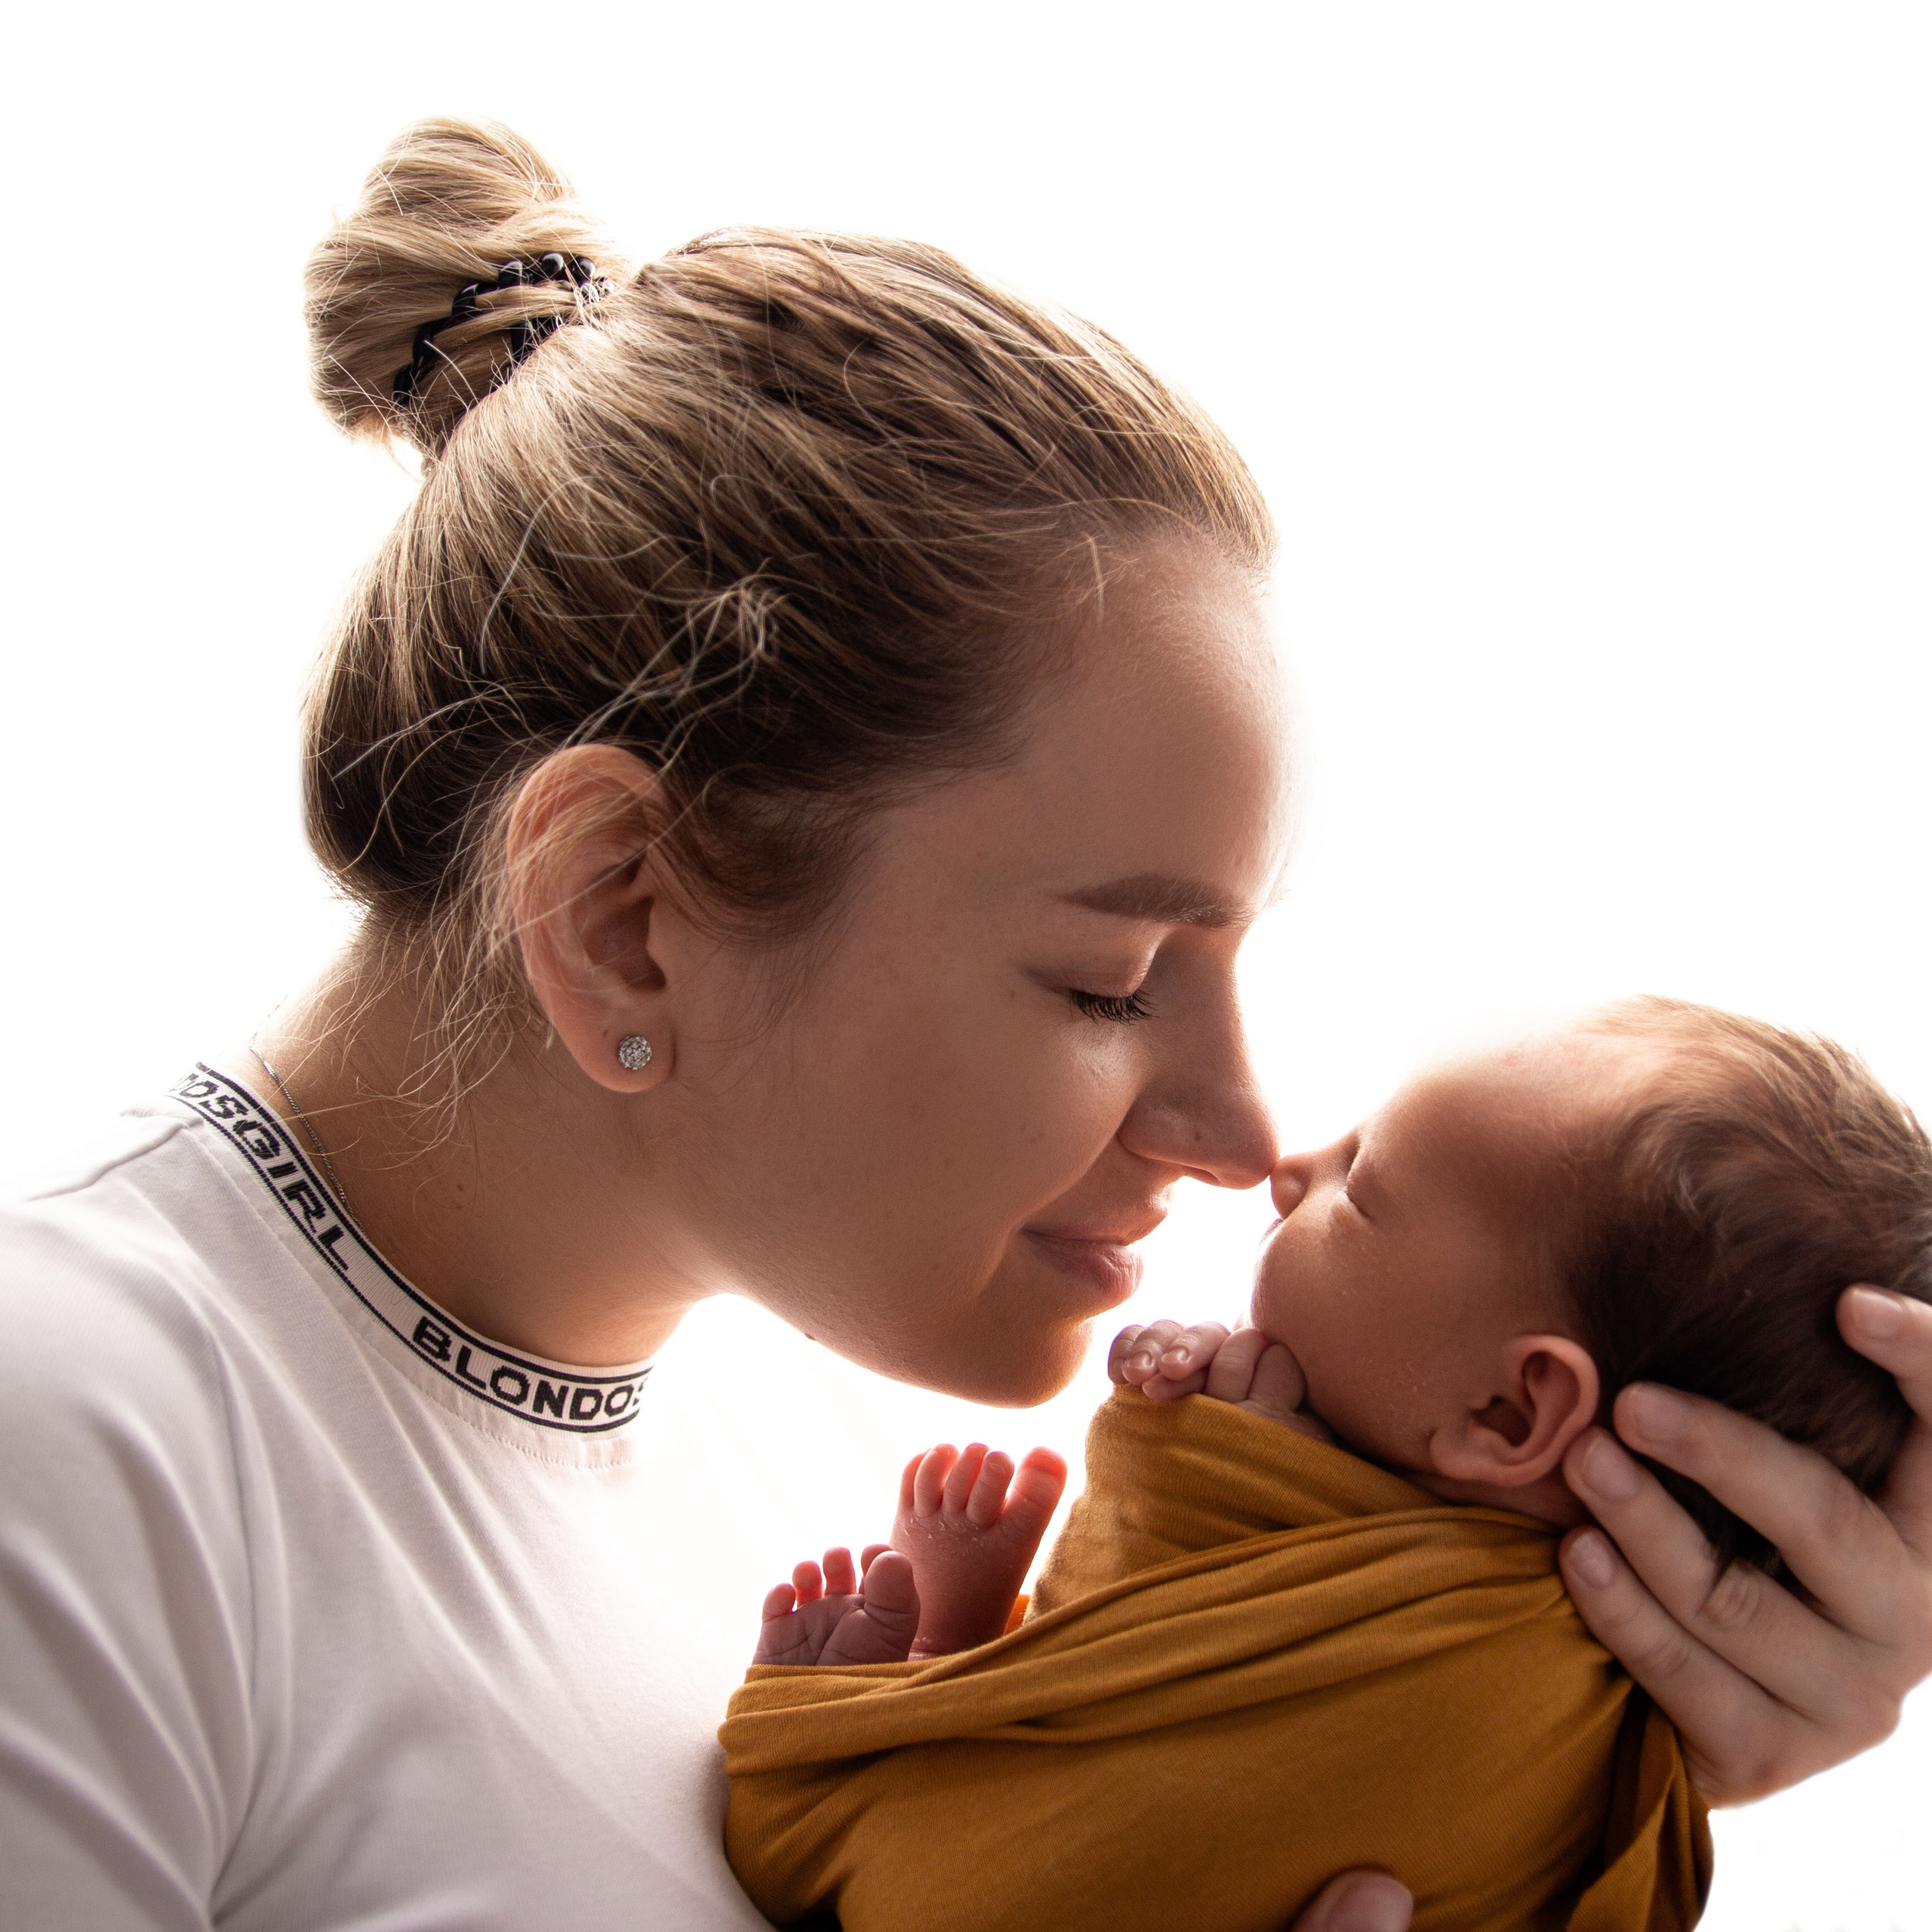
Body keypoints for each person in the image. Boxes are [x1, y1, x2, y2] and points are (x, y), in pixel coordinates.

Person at [0, 116, 1927, 1932]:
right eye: (1105, 981)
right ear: (624, 920)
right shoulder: (76, 1445)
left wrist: (1537, 1742)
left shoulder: (791, 1432)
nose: (1247, 1127)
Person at [721, 998, 1931, 1929]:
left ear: (1514, 1411)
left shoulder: (1464, 1658)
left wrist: (1185, 1446)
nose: (1286, 1166)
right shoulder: (1622, 1730)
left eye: (1367, 1186)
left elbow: (1151, 1620)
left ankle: (908, 1694)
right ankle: (956, 1656)